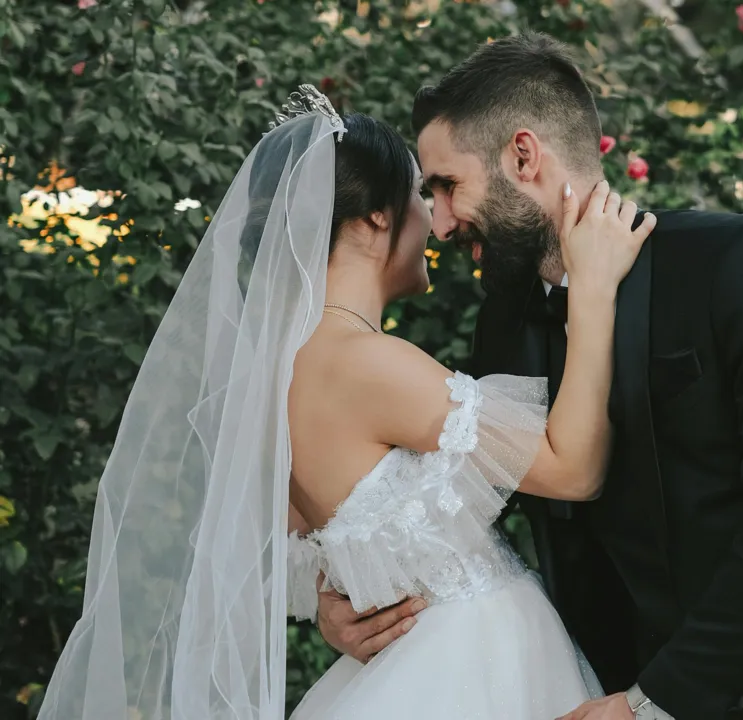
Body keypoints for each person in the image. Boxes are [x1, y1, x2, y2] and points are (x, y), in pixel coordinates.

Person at [313, 34, 743, 720]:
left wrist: (655, 702)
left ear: (524, 157)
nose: (440, 224)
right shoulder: (503, 326)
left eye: (447, 186)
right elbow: (441, 499)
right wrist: (347, 598)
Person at [37, 84, 656, 720]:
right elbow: (573, 471)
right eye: (420, 194)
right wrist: (593, 290)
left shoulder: (278, 375)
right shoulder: (365, 362)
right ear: (377, 217)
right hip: (472, 666)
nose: (436, 221)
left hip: (409, 669)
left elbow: (290, 552)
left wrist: (332, 606)